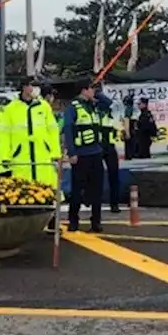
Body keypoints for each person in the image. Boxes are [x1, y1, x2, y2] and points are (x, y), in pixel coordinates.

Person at [63, 78, 111, 232]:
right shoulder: (73, 108)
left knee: (97, 189)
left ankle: (96, 221)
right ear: (83, 90)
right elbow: (68, 131)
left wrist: (98, 94)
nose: (93, 91)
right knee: (77, 189)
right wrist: (72, 153)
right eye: (91, 88)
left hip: (96, 153)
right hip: (81, 154)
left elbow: (108, 104)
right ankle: (73, 221)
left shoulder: (94, 106)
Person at [6, 79, 59, 187]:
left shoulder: (44, 106)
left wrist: (55, 152)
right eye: (32, 86)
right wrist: (5, 155)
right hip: (21, 155)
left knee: (46, 186)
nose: (35, 89)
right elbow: (5, 135)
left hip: (42, 153)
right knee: (22, 190)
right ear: (24, 88)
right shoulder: (11, 108)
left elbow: (53, 130)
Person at [95, 85, 122, 214]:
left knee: (114, 176)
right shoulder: (94, 112)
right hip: (98, 147)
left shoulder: (109, 114)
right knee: (97, 177)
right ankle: (97, 202)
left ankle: (114, 203)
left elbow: (109, 103)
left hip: (109, 147)